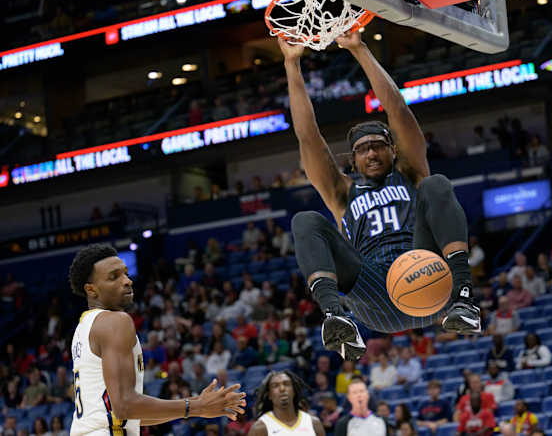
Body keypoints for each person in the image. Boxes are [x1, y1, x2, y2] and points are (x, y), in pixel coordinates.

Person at [280, 31, 480, 360]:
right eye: (362, 149)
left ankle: (464, 297)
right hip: (373, 293)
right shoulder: (342, 191)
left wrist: (359, 49)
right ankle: (334, 317)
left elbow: (397, 109)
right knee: (306, 221)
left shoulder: (410, 173)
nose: (371, 154)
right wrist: (292, 65)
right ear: (352, 159)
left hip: (427, 274)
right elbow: (308, 137)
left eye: (378, 146)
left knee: (436, 184)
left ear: (393, 149)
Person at [68, 244, 246, 435]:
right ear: (91, 290)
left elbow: (128, 416)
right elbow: (125, 406)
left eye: (125, 274)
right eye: (114, 277)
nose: (127, 281)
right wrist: (194, 407)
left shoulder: (83, 328)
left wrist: (197, 406)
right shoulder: (115, 322)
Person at [249, 371, 325, 435]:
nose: (282, 389)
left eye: (286, 384)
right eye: (275, 386)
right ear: (269, 395)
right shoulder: (260, 427)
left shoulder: (313, 423)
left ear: (294, 390)